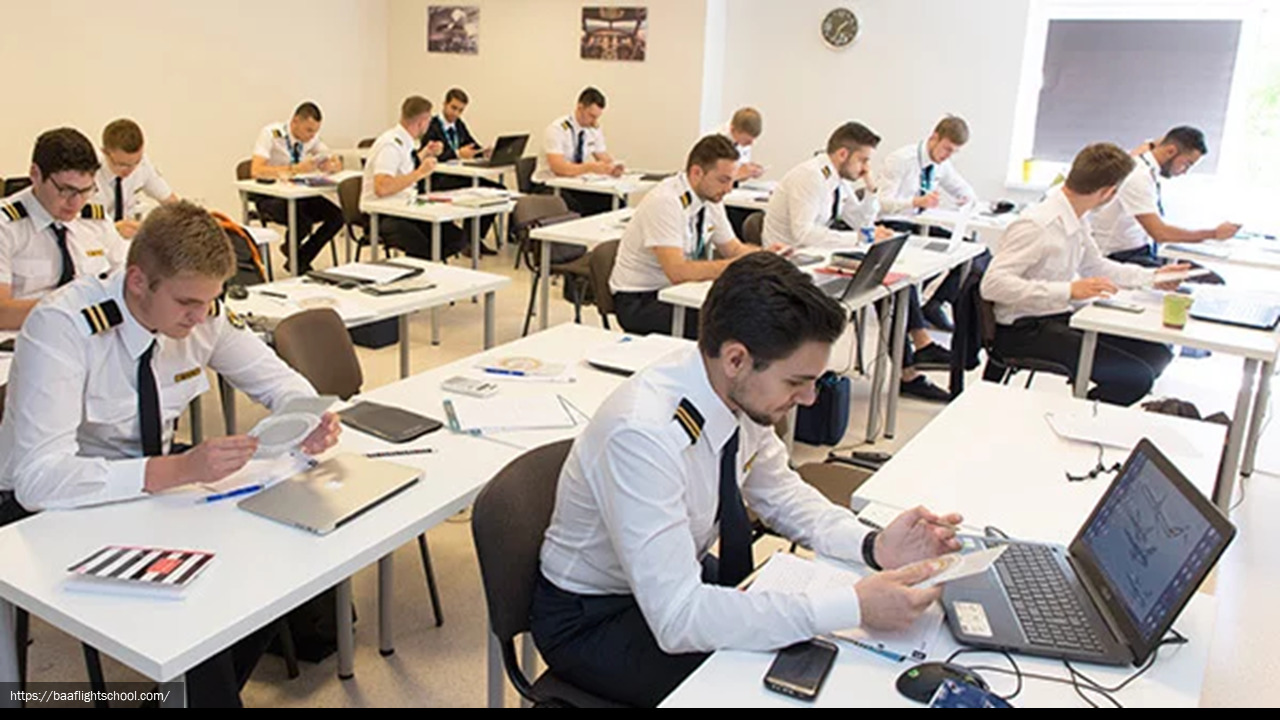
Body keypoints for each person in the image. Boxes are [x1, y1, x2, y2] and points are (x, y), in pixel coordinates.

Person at [533, 251, 961, 707]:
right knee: (767, 691)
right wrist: (854, 604)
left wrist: (873, 546)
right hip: (596, 618)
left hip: (674, 578)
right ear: (736, 358)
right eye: (797, 381)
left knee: (820, 656)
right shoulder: (644, 433)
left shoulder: (733, 390)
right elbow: (679, 617)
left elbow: (783, 493)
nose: (811, 398)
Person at [0, 201, 342, 705]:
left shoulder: (203, 312)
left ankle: (190, 694)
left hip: (153, 483)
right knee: (195, 607)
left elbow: (281, 383)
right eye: (187, 302)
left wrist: (307, 418)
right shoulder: (64, 326)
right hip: (47, 506)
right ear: (137, 280)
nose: (200, 317)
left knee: (277, 563)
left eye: (210, 301)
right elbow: (37, 480)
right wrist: (176, 469)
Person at [981, 143, 1188, 406]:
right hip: (1022, 331)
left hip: (1056, 317)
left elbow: (1097, 266)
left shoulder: (1077, 216)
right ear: (1108, 192)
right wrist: (1068, 290)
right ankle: (1076, 419)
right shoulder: (1038, 224)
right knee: (1135, 377)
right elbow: (992, 285)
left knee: (1157, 354)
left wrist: (1155, 277)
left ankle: (1086, 414)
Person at [764, 121, 953, 402]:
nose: (865, 166)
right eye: (863, 160)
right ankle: (912, 365)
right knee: (880, 283)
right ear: (842, 154)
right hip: (790, 268)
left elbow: (862, 219)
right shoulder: (810, 177)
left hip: (817, 261)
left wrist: (871, 185)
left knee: (890, 280)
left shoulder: (837, 180)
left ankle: (912, 365)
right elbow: (804, 233)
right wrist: (862, 236)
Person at [609, 135, 763, 337]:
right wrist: (734, 266)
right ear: (697, 172)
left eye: (732, 181)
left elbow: (733, 249)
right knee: (726, 323)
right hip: (641, 300)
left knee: (748, 310)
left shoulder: (711, 199)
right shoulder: (665, 202)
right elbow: (678, 272)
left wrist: (765, 257)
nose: (728, 189)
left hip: (677, 291)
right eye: (723, 180)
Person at [1, 127, 127, 330]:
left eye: (86, 190)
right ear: (35, 174)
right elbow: (2, 313)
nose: (76, 202)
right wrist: (73, 308)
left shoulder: (95, 222)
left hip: (91, 340)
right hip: (20, 342)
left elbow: (125, 280)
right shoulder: (6, 227)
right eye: (66, 190)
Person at [878, 116, 981, 331]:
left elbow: (965, 190)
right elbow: (882, 203)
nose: (948, 156)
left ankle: (934, 304)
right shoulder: (901, 160)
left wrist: (966, 200)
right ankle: (917, 319)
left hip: (920, 224)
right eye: (947, 149)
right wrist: (915, 201)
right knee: (926, 260)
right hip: (895, 223)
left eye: (954, 152)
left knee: (976, 253)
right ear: (934, 137)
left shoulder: (941, 164)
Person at [1090, 126, 1241, 267]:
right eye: (1187, 164)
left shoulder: (1147, 168)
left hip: (1139, 249)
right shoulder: (1138, 176)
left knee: (1196, 272)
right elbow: (1159, 233)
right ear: (1170, 151)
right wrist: (1214, 233)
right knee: (1200, 280)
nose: (1184, 172)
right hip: (1117, 257)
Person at [362, 95, 473, 260]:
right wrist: (419, 173)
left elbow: (404, 168)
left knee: (455, 237)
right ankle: (425, 266)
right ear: (422, 122)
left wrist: (424, 153)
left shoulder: (406, 142)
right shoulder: (390, 145)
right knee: (424, 245)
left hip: (405, 207)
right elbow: (382, 187)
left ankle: (428, 265)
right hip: (383, 214)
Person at [249, 102, 345, 273]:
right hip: (270, 196)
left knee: (338, 216)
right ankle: (296, 261)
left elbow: (332, 158)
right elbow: (256, 170)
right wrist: (294, 169)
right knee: (301, 220)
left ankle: (300, 257)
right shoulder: (271, 134)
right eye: (308, 130)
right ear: (295, 122)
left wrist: (332, 164)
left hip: (297, 193)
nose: (312, 135)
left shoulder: (311, 138)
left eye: (315, 131)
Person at [422, 87, 498, 254]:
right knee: (476, 192)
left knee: (496, 191)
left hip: (460, 175)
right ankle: (467, 242)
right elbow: (429, 154)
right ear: (444, 104)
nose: (456, 113)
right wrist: (457, 153)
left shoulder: (459, 125)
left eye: (460, 110)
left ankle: (474, 238)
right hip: (440, 178)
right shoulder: (432, 126)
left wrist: (483, 151)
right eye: (453, 108)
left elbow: (471, 144)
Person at [533, 86, 623, 216]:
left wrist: (612, 168)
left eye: (597, 117)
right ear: (580, 108)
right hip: (549, 185)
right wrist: (589, 167)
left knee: (615, 203)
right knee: (577, 207)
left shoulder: (592, 129)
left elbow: (603, 157)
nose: (594, 121)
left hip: (574, 183)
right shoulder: (557, 129)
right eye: (591, 116)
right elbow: (559, 168)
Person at [94, 119, 179, 239]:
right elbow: (76, 223)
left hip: (125, 243)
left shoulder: (142, 165)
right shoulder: (88, 171)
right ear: (105, 153)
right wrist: (113, 229)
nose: (130, 170)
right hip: (94, 242)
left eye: (136, 163)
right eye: (122, 164)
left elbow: (171, 201)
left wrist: (194, 219)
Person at [719, 107, 764, 183]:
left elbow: (740, 173)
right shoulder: (716, 143)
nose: (751, 144)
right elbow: (717, 179)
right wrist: (738, 173)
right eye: (747, 141)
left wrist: (750, 171)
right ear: (732, 129)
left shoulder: (740, 140)